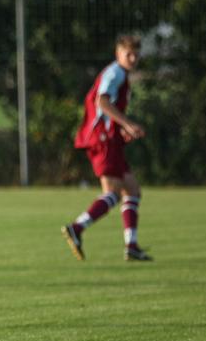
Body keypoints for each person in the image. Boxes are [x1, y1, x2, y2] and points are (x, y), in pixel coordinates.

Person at [62, 34, 152, 261]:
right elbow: (101, 102)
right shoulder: (116, 73)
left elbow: (107, 110)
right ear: (118, 53)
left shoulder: (121, 75)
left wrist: (122, 130)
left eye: (135, 55)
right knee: (112, 192)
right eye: (128, 54)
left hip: (110, 137)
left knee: (132, 190)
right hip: (102, 139)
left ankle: (131, 246)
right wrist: (128, 123)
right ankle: (77, 227)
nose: (132, 58)